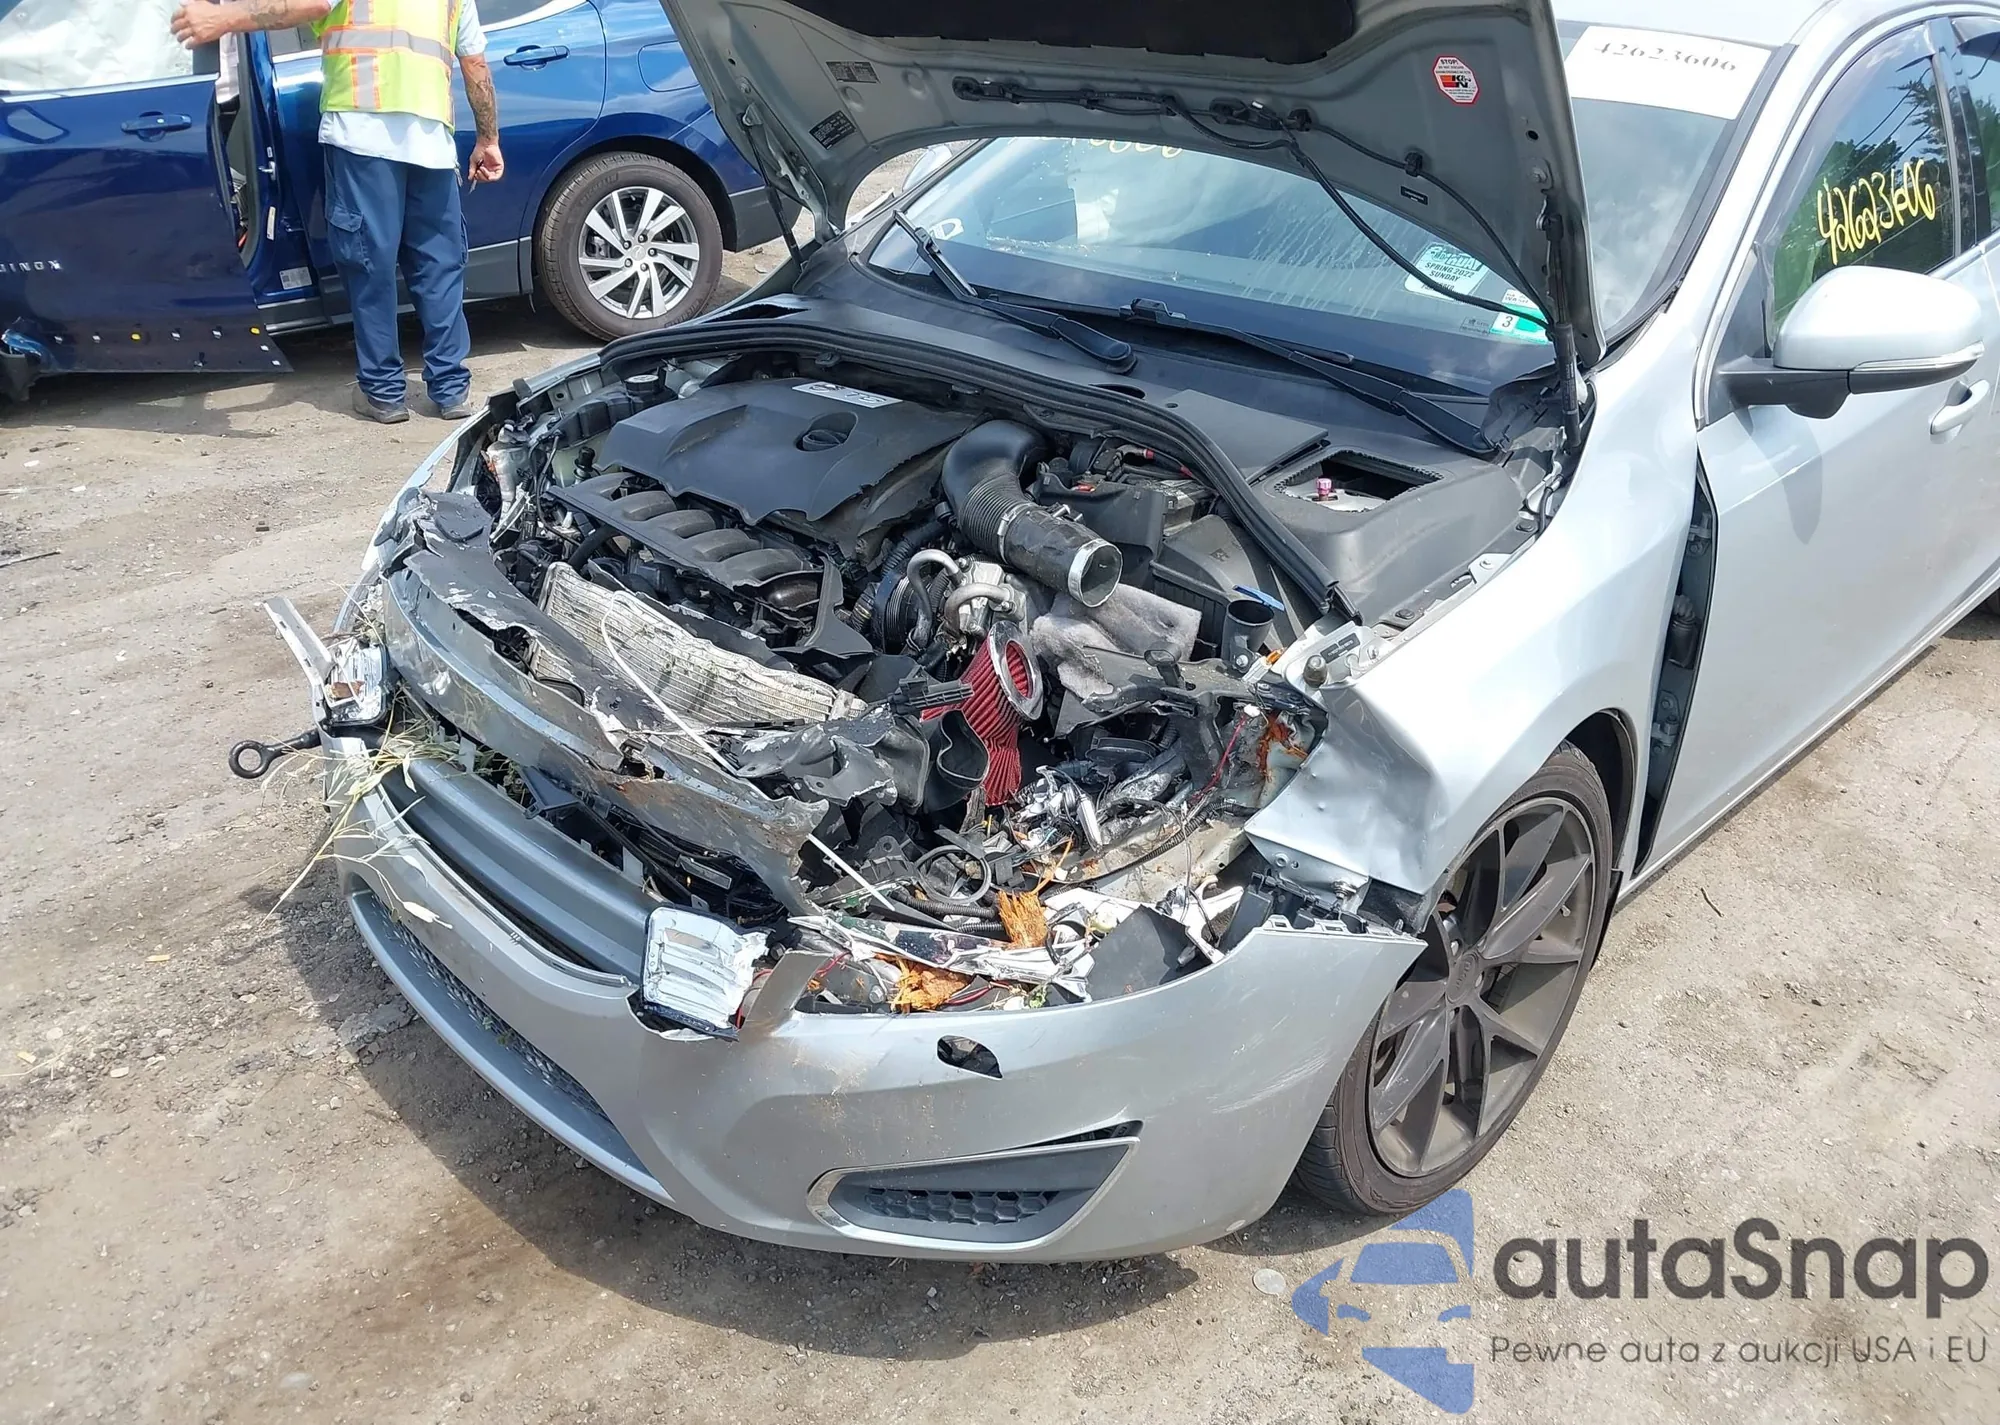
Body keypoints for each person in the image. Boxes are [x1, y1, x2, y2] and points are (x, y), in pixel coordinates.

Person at [171, 1, 503, 423]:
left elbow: (306, 5)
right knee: (439, 268)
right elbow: (475, 64)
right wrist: (488, 139)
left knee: (369, 265)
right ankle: (451, 391)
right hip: (432, 141)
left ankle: (383, 393)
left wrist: (223, 19)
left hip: (362, 134)